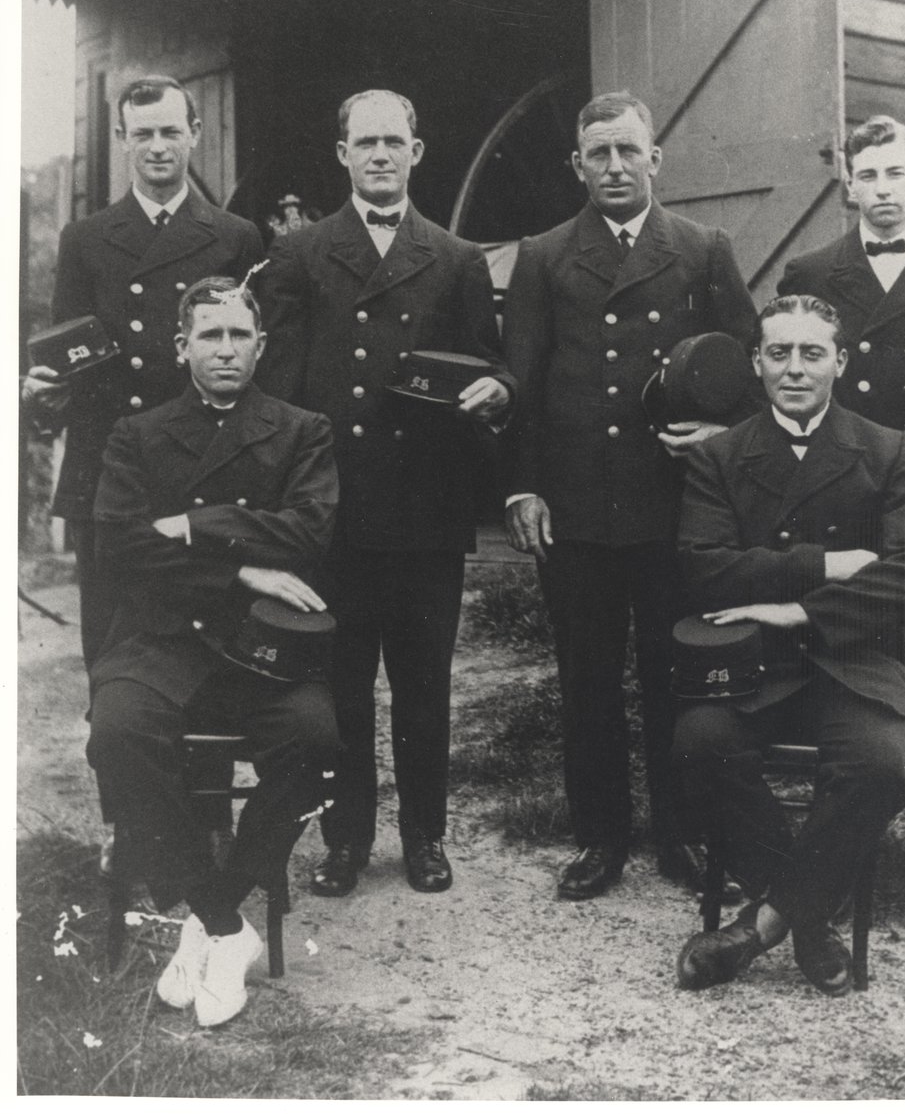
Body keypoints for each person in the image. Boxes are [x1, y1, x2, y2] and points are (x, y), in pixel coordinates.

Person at [501, 90, 757, 900]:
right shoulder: (543, 255)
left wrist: (722, 440)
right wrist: (523, 487)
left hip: (674, 504)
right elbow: (521, 383)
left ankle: (680, 831)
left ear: (656, 158)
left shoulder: (701, 248)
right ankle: (601, 836)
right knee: (586, 676)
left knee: (674, 671)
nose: (615, 167)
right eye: (598, 154)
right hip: (576, 508)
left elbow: (750, 371)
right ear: (577, 165)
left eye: (628, 151)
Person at [258, 89, 514, 897]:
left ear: (417, 151)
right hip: (335, 515)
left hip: (424, 513)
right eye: (364, 142)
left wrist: (497, 392)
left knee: (423, 687)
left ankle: (425, 837)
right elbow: (281, 390)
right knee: (340, 688)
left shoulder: (455, 256)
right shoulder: (301, 256)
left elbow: (490, 365)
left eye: (393, 141)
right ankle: (346, 840)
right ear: (341, 155)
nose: (379, 155)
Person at [86, 276, 341, 1028]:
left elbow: (309, 530)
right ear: (181, 347)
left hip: (264, 649)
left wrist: (194, 524)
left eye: (238, 335)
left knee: (314, 738)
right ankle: (222, 918)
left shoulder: (303, 430)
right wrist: (240, 563)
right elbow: (118, 544)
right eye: (210, 335)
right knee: (118, 732)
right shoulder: (138, 434)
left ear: (261, 344)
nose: (225, 349)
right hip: (161, 639)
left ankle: (213, 917)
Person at [672, 295, 905, 997]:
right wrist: (824, 564)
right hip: (755, 666)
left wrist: (797, 609)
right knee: (699, 742)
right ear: (757, 363)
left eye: (812, 352)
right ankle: (807, 912)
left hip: (860, 661)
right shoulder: (721, 455)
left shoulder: (891, 451)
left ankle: (760, 925)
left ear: (841, 362)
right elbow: (703, 565)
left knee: (881, 765)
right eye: (780, 352)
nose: (795, 368)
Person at [778, 116, 905, 924]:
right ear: (849, 186)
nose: (884, 190)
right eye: (868, 176)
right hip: (844, 509)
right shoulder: (812, 270)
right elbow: (789, 383)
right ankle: (844, 839)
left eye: (897, 173)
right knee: (840, 671)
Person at [22, 75, 264, 672]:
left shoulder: (236, 238)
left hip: (203, 467)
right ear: (124, 139)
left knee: (208, 656)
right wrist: (43, 391)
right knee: (113, 651)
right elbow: (64, 355)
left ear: (196, 135)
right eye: (144, 133)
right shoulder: (85, 239)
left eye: (171, 132)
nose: (158, 146)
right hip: (111, 469)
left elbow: (254, 367)